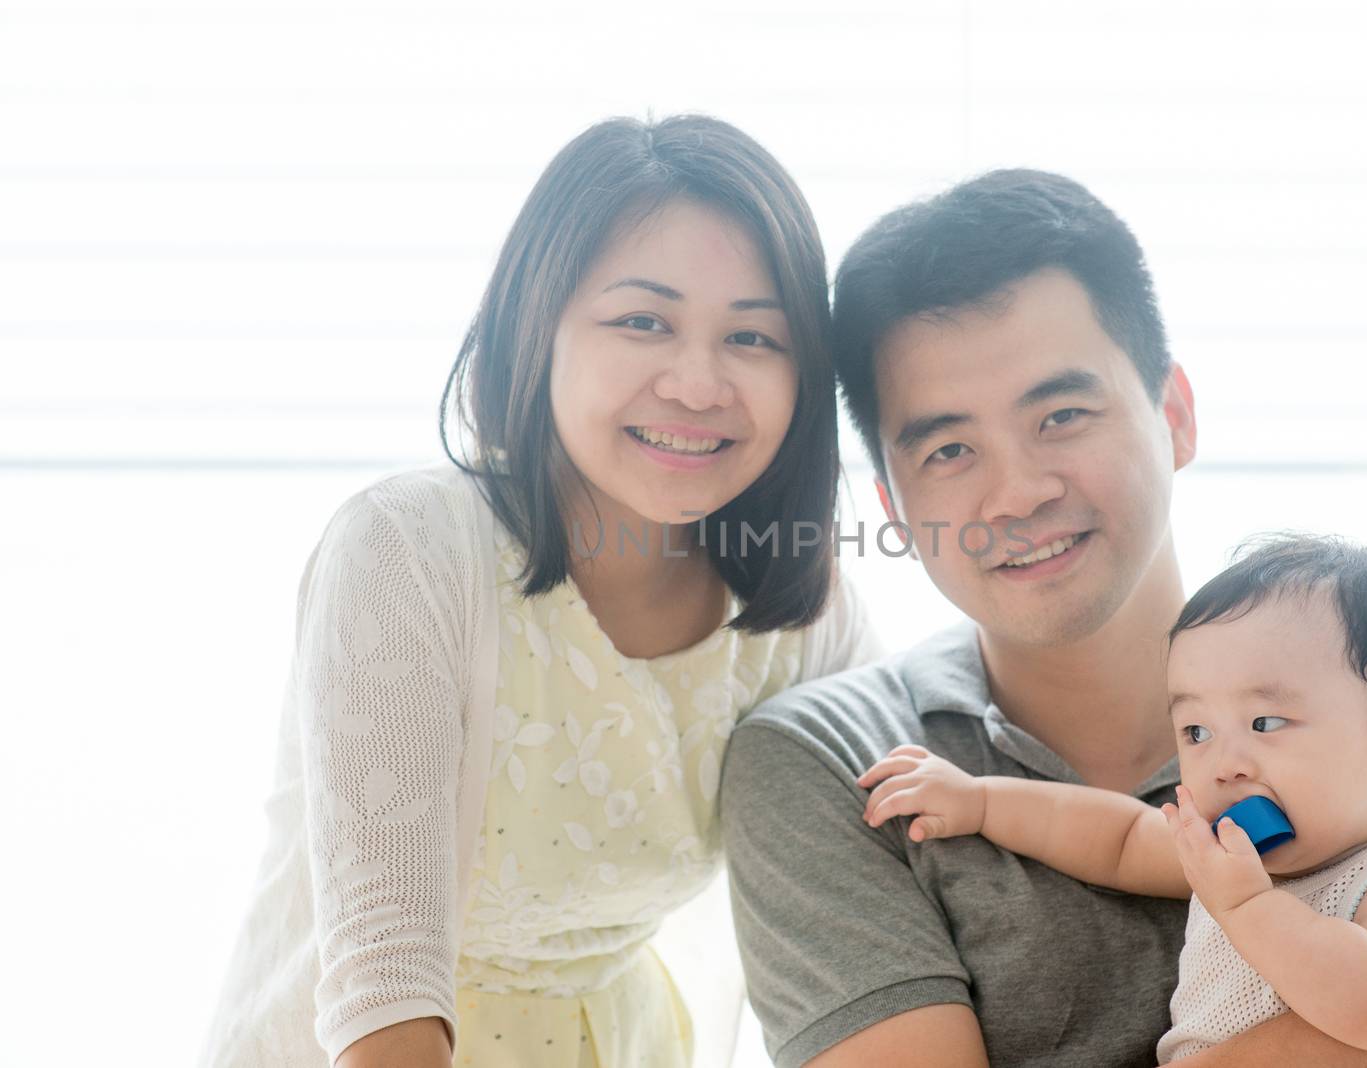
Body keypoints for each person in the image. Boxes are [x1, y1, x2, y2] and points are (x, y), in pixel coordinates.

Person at [719, 169, 1367, 1067]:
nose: (1018, 493)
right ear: (890, 502)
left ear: (1176, 415)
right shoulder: (841, 768)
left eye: (1063, 414)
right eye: (951, 449)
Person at [198, 114, 880, 1068]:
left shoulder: (803, 615)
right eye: (643, 320)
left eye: (754, 337)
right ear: (538, 326)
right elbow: (382, 982)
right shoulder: (410, 550)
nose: (697, 382)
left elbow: (878, 904)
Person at [858, 533, 1367, 1061]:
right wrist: (980, 802)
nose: (1224, 765)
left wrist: (1246, 904)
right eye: (1196, 731)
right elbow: (1114, 837)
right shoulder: (1228, 859)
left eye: (1265, 724)